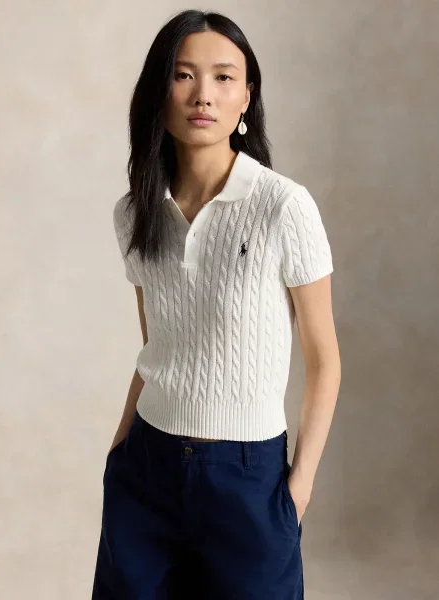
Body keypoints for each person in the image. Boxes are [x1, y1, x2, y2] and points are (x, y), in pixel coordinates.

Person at [91, 8, 341, 600]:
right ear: (159, 92)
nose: (203, 94)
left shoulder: (284, 207)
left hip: (249, 479)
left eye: (224, 77)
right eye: (183, 75)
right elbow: (156, 345)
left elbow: (324, 359)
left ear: (247, 97)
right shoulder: (135, 213)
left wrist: (297, 488)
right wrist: (119, 452)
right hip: (146, 469)